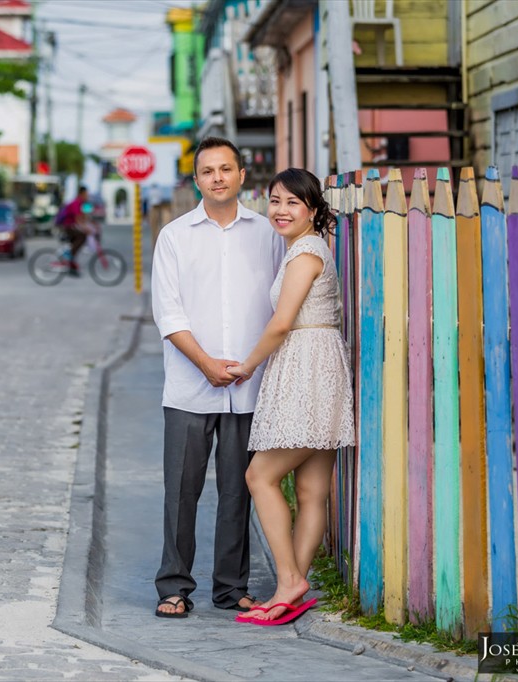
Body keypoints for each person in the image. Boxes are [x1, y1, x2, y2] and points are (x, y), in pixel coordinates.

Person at [151, 136, 285, 618]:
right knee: (181, 491)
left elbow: (279, 304)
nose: (218, 178)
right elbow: (168, 314)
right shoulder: (175, 236)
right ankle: (174, 586)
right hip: (189, 387)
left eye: (226, 169)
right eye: (208, 171)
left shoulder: (268, 234)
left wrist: (248, 364)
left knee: (238, 490)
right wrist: (206, 362)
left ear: (242, 175)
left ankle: (231, 588)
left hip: (250, 386)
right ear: (197, 180)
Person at [226, 168, 356, 626]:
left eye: (292, 203)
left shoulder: (304, 254)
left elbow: (281, 323)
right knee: (311, 489)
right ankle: (293, 588)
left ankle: (288, 580)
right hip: (318, 362)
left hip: (306, 367)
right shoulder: (307, 249)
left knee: (260, 476)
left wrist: (246, 366)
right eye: (275, 201)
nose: (280, 211)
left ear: (313, 211)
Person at [56, 186, 92, 276]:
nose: (88, 196)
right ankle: (70, 255)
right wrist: (86, 228)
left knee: (78, 241)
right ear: (81, 194)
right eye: (86, 195)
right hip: (66, 226)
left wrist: (91, 225)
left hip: (71, 226)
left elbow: (84, 217)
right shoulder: (75, 203)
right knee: (82, 236)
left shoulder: (82, 203)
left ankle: (71, 265)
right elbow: (78, 219)